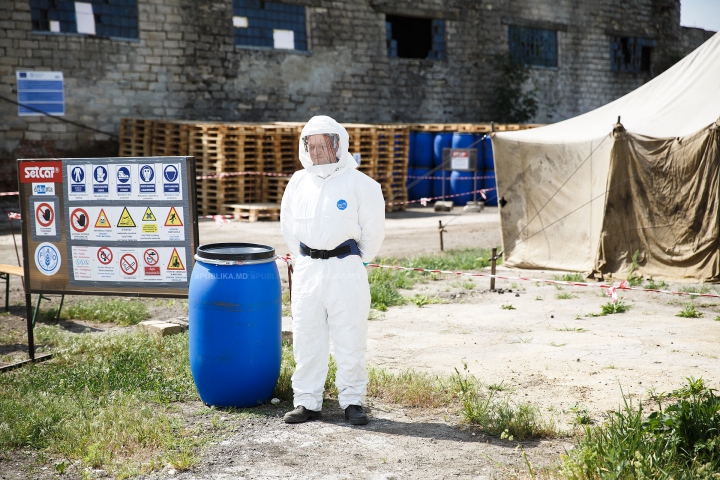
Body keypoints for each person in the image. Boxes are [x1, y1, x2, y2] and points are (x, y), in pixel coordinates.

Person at [280, 116, 385, 425]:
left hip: (346, 269)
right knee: (306, 335)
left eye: (321, 145)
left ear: (338, 144)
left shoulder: (361, 184)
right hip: (308, 269)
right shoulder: (298, 182)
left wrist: (352, 260)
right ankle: (307, 402)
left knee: (350, 336)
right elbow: (288, 227)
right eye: (309, 146)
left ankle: (353, 402)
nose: (315, 152)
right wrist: (307, 259)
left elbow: (373, 233)